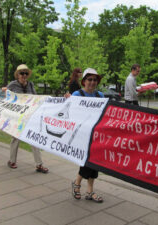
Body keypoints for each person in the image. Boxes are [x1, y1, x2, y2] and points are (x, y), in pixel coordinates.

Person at [3, 64, 48, 173]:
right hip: (17, 117)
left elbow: (35, 98)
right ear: (17, 74)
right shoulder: (13, 85)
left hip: (29, 116)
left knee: (33, 138)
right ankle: (12, 161)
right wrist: (5, 91)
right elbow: (6, 96)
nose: (24, 75)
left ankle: (39, 164)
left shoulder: (30, 84)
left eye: (26, 73)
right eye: (21, 73)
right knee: (15, 138)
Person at [71, 68, 104, 203]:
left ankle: (88, 190)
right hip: (82, 135)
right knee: (86, 161)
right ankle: (77, 184)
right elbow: (71, 114)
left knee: (95, 163)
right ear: (84, 81)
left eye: (95, 80)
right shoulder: (77, 94)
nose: (92, 82)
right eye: (89, 79)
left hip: (96, 135)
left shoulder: (100, 96)